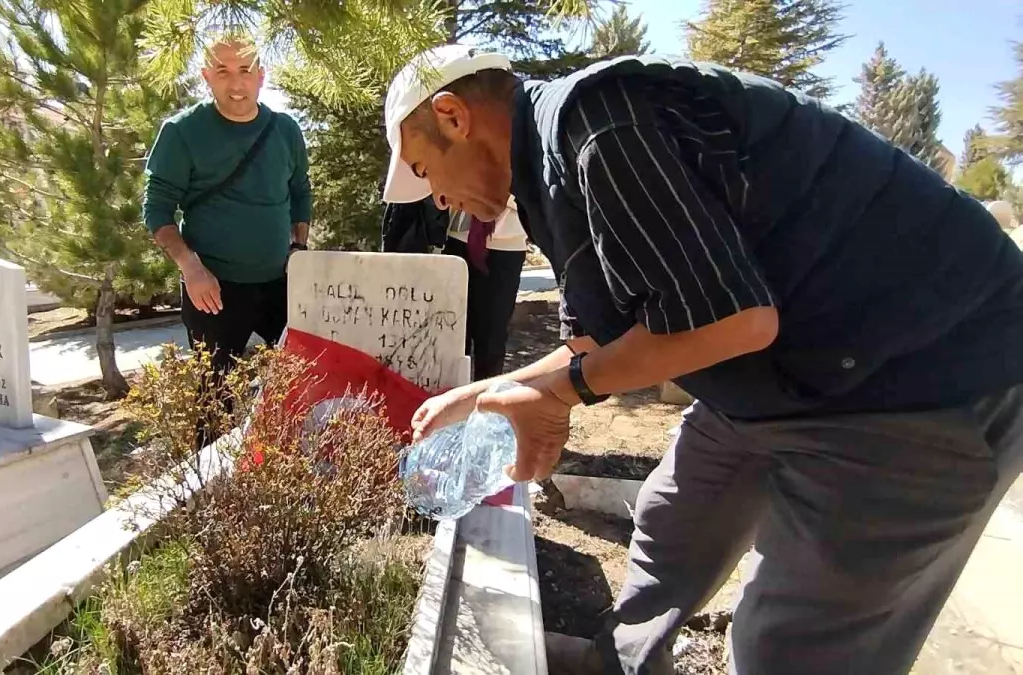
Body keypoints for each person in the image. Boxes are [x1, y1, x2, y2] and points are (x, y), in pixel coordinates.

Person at [380, 45, 1023, 675]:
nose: (435, 200)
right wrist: (484, 392)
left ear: (454, 117)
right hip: (790, 370)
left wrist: (563, 394)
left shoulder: (600, 119)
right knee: (674, 524)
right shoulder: (549, 178)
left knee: (791, 642)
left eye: (421, 169)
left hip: (916, 376)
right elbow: (596, 344)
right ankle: (621, 662)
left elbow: (730, 321)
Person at [143, 31, 311, 378]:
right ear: (206, 77)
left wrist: (299, 247)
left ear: (261, 76)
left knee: (303, 383)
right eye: (223, 71)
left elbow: (300, 192)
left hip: (280, 283)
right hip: (213, 288)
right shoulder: (182, 132)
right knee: (214, 400)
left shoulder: (286, 131)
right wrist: (190, 267)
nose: (236, 83)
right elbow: (157, 208)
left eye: (246, 70)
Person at [443, 200, 527, 379]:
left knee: (492, 337)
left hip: (507, 243)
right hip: (459, 235)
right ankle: (450, 397)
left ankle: (484, 400)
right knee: (454, 329)